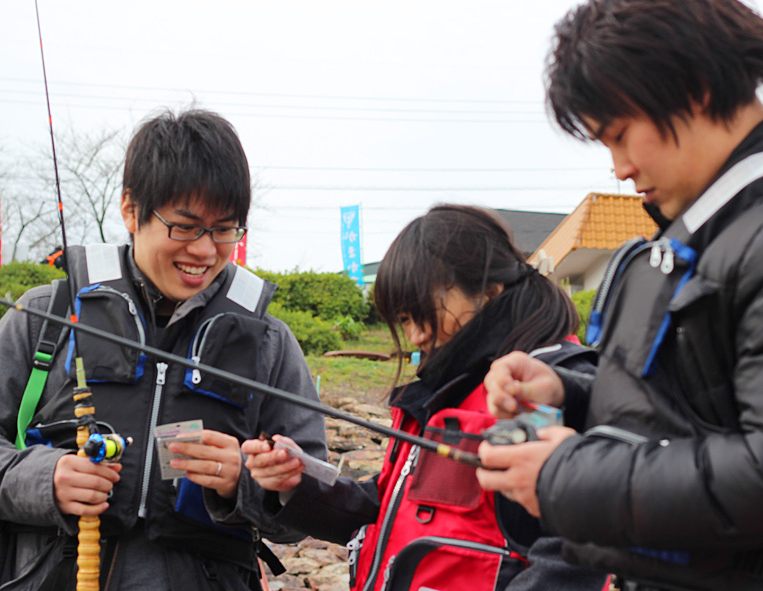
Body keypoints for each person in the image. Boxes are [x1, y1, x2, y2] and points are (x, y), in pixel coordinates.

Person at [474, 0, 763, 590]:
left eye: (620, 135)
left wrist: (565, 477)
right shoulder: (707, 231)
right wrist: (566, 390)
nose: (619, 168)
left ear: (695, 87)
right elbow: (698, 407)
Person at [0, 109, 327, 590]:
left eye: (224, 230)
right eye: (184, 226)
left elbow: (311, 505)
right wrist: (42, 479)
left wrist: (248, 480)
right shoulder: (45, 313)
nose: (204, 250)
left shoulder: (270, 341)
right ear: (131, 209)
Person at [242, 205, 607, 591]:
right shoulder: (445, 388)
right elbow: (388, 506)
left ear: (488, 292)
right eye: (404, 320)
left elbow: (580, 548)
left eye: (422, 313)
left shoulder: (551, 384)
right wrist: (299, 483)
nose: (415, 335)